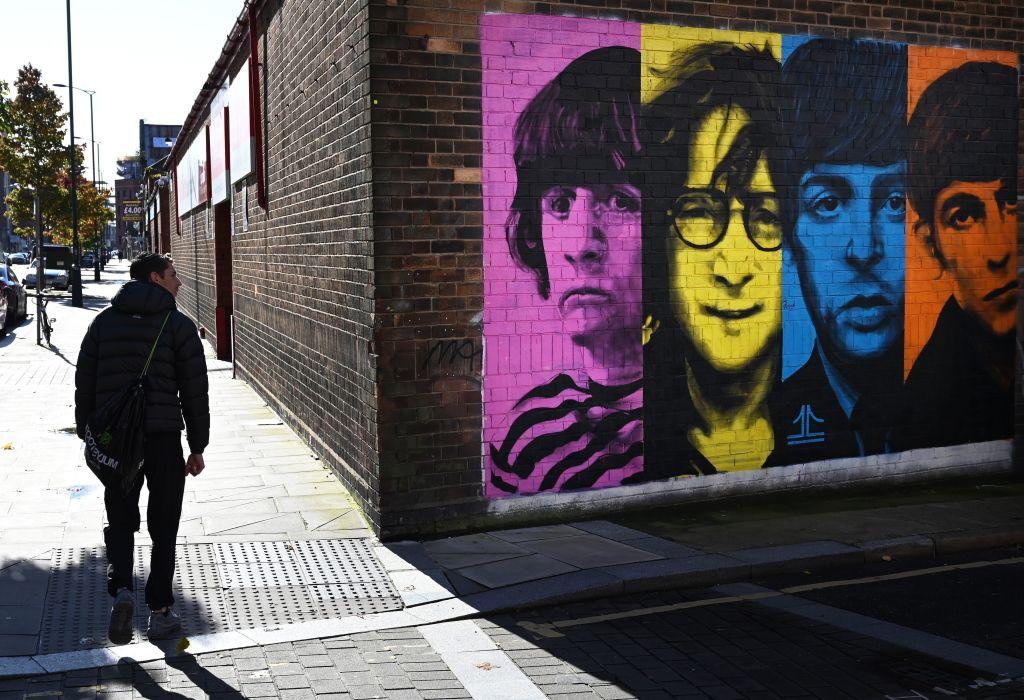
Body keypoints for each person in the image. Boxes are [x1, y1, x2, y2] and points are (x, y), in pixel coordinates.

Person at [488, 46, 644, 495]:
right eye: (558, 204)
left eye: (620, 201)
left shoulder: (704, 421)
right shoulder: (528, 435)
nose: (581, 246)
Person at [642, 41, 784, 477]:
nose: (734, 267)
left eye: (766, 217)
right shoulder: (620, 433)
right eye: (700, 212)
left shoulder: (842, 420)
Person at [773, 39, 908, 465]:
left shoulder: (963, 402)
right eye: (827, 204)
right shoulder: (767, 431)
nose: (864, 249)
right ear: (789, 236)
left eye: (896, 202)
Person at [75, 252, 209, 644]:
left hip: (118, 441)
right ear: (155, 278)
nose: (179, 282)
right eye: (173, 275)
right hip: (164, 438)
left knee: (120, 518)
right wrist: (197, 445)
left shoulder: (102, 323)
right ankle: (161, 611)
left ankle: (122, 592)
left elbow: (85, 382)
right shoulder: (178, 326)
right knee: (163, 523)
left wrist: (89, 432)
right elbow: (194, 390)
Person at [902, 62, 1018, 449]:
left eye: (1013, 202)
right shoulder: (927, 410)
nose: (999, 250)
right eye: (964, 216)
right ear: (931, 246)